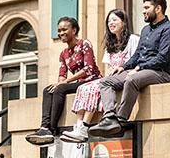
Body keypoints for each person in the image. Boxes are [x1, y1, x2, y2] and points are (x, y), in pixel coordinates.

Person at [88, 0, 170, 138]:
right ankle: (110, 117)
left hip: (162, 73)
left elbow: (163, 59)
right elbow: (137, 55)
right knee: (105, 82)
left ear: (158, 9)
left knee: (132, 80)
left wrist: (138, 69)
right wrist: (124, 67)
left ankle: (120, 120)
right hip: (142, 71)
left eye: (146, 7)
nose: (143, 11)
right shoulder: (146, 30)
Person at [60, 8, 140, 143]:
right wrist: (110, 72)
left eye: (115, 20)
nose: (111, 23)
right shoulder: (110, 43)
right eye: (109, 21)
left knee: (94, 87)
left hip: (127, 74)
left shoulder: (133, 39)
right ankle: (79, 126)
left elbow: (137, 59)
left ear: (124, 22)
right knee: (83, 87)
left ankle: (85, 126)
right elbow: (108, 67)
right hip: (112, 77)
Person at [25, 16, 101, 146]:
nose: (61, 33)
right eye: (59, 30)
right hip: (77, 83)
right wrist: (60, 82)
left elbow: (88, 69)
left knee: (60, 88)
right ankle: (44, 127)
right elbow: (62, 74)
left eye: (64, 29)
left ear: (74, 30)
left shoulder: (84, 44)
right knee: (48, 89)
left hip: (91, 81)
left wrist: (63, 83)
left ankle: (52, 129)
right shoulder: (64, 53)